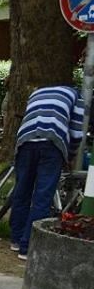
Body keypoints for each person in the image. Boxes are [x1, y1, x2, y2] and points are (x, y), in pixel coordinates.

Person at [9, 85, 85, 260]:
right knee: (42, 196)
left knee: (21, 191)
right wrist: (70, 156)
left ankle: (16, 239)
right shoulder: (76, 96)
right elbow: (76, 133)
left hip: (26, 139)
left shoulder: (37, 93)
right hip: (52, 141)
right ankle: (28, 246)